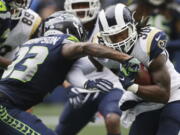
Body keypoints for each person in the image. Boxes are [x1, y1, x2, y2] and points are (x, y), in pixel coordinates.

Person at [0, 11, 140, 135]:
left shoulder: (29, 45)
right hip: (6, 106)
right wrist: (125, 58)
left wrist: (85, 84)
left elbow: (54, 73)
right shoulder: (61, 44)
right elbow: (84, 47)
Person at [95, 3, 180, 135]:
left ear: (132, 26)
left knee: (169, 124)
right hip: (145, 102)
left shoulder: (147, 43)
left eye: (122, 34)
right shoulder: (101, 51)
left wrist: (131, 87)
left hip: (172, 95)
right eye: (113, 37)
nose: (119, 41)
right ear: (104, 38)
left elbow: (164, 94)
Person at [55, 1, 124, 135]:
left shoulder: (107, 22)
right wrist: (69, 87)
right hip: (81, 87)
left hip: (110, 84)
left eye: (85, 4)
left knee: (113, 119)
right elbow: (57, 65)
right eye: (77, 5)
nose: (82, 9)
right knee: (60, 132)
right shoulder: (62, 27)